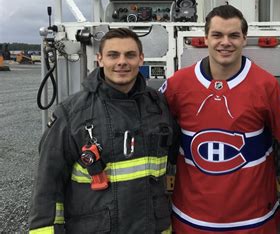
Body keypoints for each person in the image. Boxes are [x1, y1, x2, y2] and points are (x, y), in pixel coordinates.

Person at [29, 28, 176, 233]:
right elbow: (48, 180)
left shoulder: (158, 105)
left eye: (130, 55)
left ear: (141, 59)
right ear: (99, 59)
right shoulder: (72, 112)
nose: (122, 62)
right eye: (113, 55)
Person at [160, 4, 280, 233]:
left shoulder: (266, 84)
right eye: (217, 35)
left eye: (234, 35)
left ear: (244, 39)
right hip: (191, 219)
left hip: (254, 221)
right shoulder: (177, 85)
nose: (225, 42)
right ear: (206, 38)